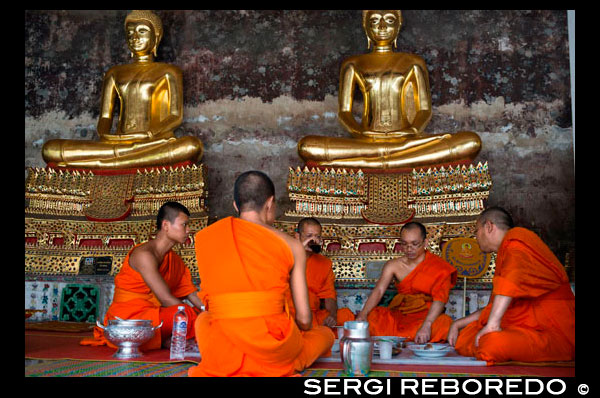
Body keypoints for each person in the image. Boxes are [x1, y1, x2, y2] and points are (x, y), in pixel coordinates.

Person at [188, 171, 334, 377]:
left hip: (220, 344)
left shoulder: (208, 238)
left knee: (205, 320)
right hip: (273, 347)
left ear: (235, 206)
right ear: (270, 203)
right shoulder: (292, 245)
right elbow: (304, 320)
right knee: (325, 334)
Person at [298, 10, 481, 170]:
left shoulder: (413, 62)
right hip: (367, 142)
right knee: (307, 146)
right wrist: (360, 132)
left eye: (390, 20)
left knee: (471, 141)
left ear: (399, 25)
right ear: (366, 27)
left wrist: (413, 130)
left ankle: (372, 161)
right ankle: (395, 159)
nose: (383, 26)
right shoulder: (353, 64)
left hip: (406, 141)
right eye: (375, 21)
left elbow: (424, 109)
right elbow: (344, 112)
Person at [42, 10, 203, 169]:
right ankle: (118, 159)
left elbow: (175, 116)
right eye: (130, 32)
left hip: (151, 142)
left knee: (191, 146)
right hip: (116, 143)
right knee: (51, 148)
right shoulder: (114, 72)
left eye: (142, 31)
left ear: (156, 37)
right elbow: (105, 117)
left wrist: (149, 134)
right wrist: (106, 134)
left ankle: (103, 163)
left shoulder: (169, 71)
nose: (135, 37)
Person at [447, 206, 575, 364]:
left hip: (551, 331)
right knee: (467, 335)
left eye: (476, 231)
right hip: (525, 327)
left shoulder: (517, 238)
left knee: (491, 344)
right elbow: (493, 307)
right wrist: (457, 323)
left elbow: (512, 278)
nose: (476, 237)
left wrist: (492, 325)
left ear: (488, 227)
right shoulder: (506, 252)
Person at [80, 201, 203, 350]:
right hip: (130, 318)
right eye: (184, 225)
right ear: (165, 226)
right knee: (189, 315)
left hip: (154, 315)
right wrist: (197, 318)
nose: (188, 230)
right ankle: (170, 338)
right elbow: (165, 298)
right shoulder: (144, 255)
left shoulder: (174, 260)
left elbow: (191, 294)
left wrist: (207, 311)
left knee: (197, 315)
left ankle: (168, 340)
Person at [355, 222, 457, 343]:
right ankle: (405, 338)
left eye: (415, 244)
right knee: (373, 318)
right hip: (400, 315)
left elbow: (440, 300)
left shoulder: (440, 267)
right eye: (404, 244)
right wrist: (364, 313)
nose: (409, 249)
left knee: (444, 324)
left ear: (425, 242)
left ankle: (401, 338)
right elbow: (379, 290)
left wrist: (427, 325)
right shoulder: (393, 265)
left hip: (426, 316)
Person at [286, 217, 355, 330]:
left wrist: (332, 315)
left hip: (312, 314)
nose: (313, 241)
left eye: (317, 237)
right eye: (309, 236)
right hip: (288, 312)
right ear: (297, 236)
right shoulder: (286, 256)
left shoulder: (324, 263)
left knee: (346, 316)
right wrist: (299, 250)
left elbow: (329, 297)